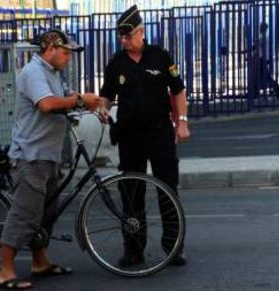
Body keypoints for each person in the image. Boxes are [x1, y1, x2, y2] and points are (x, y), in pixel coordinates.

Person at [0, 29, 102, 289]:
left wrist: (92, 104)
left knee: (45, 213)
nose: (68, 58)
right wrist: (79, 100)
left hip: (48, 154)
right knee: (25, 213)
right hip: (31, 155)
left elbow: (66, 97)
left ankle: (40, 262)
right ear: (50, 49)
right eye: (65, 52)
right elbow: (47, 104)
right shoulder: (33, 73)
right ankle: (5, 271)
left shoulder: (53, 73)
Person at [99, 5, 190, 267]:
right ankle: (134, 249)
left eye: (128, 36)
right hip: (130, 135)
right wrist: (103, 109)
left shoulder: (160, 56)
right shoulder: (116, 63)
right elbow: (106, 95)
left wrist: (182, 122)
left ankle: (174, 246)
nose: (124, 41)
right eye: (121, 37)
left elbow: (179, 90)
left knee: (168, 189)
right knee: (131, 192)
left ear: (141, 32)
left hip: (160, 132)